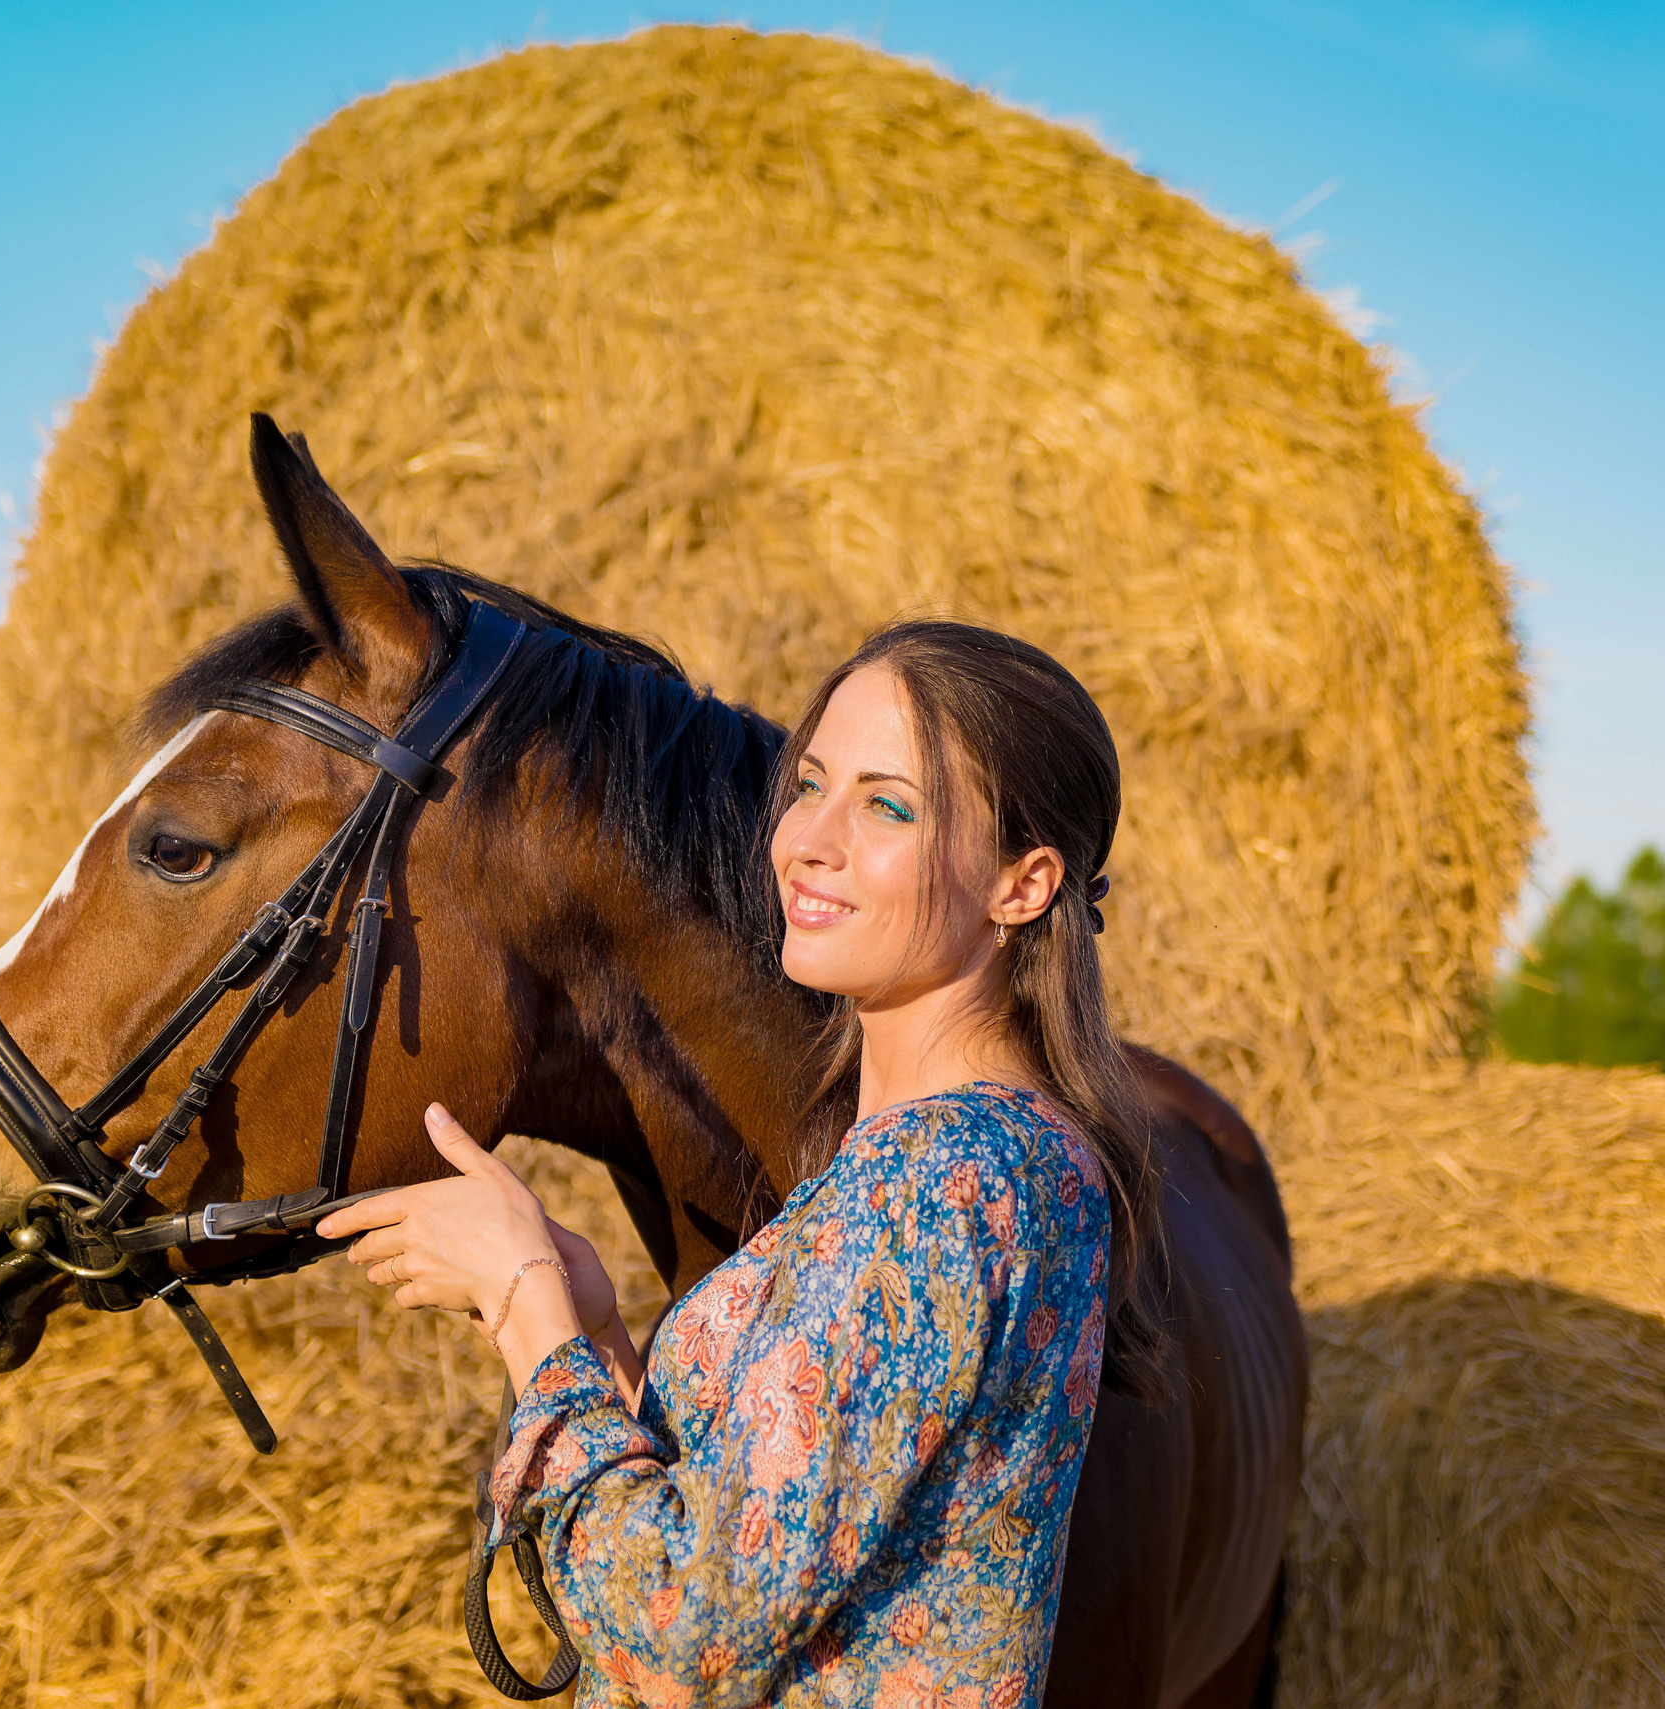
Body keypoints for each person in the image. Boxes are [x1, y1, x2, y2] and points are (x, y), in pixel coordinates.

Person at [319, 619, 1161, 1707]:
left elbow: (685, 1634)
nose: (809, 838)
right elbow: (787, 1530)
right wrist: (601, 1336)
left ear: (1022, 883)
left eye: (889, 806)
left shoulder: (942, 1184)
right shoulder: (981, 1157)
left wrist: (528, 1308)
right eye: (809, 783)